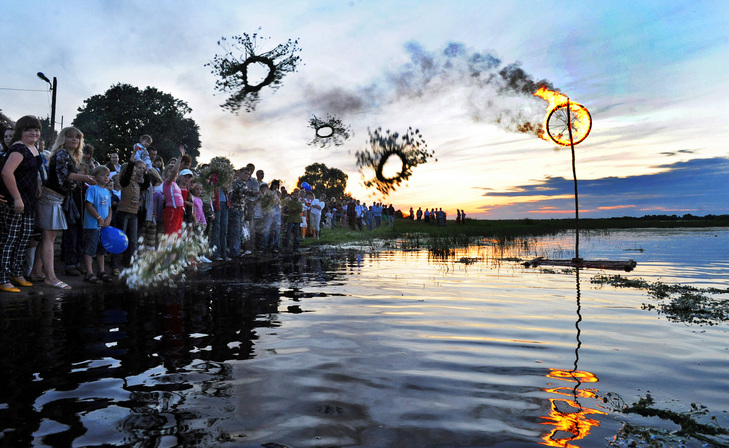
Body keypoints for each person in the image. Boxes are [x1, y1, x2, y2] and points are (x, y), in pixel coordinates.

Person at [30, 126, 96, 290]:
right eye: (71, 137)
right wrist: (85, 177)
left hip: (55, 198)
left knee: (46, 238)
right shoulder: (62, 154)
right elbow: (64, 175)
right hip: (50, 198)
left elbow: (65, 179)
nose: (74, 140)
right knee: (49, 239)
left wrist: (74, 182)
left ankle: (37, 272)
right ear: (63, 139)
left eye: (77, 137)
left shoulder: (69, 155)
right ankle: (50, 277)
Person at [0, 116, 42, 293]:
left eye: (36, 130)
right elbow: (7, 172)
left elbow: (34, 171)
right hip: (15, 201)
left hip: (29, 201)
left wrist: (38, 185)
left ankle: (16, 272)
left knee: (23, 239)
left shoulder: (33, 147)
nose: (34, 133)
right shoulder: (18, 148)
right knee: (9, 240)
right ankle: (2, 277)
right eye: (29, 130)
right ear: (21, 132)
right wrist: (17, 198)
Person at [82, 165, 112, 284]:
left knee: (102, 248)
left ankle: (102, 271)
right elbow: (88, 205)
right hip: (92, 225)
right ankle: (89, 272)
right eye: (102, 175)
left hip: (103, 226)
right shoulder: (92, 189)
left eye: (107, 175)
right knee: (91, 248)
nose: (105, 177)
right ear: (95, 177)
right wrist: (98, 217)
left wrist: (108, 219)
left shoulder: (107, 191)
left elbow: (109, 208)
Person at [162, 146, 186, 235]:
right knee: (171, 233)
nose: (173, 172)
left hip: (179, 210)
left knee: (178, 234)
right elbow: (175, 171)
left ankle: (175, 249)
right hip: (172, 210)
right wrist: (179, 158)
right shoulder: (167, 183)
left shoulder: (176, 185)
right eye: (170, 170)